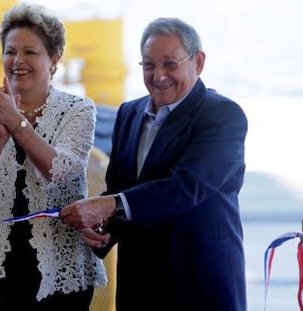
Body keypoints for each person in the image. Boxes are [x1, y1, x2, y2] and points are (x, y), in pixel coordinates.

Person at [60, 17, 248, 311]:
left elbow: (187, 186)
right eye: (149, 65)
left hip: (199, 284)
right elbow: (121, 188)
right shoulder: (129, 113)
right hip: (139, 286)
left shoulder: (223, 115)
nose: (158, 75)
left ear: (197, 62)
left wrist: (106, 205)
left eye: (170, 64)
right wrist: (104, 231)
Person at [0, 3, 107, 311]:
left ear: (54, 59)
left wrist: (17, 123)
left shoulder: (78, 109)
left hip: (59, 273)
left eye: (30, 52)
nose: (18, 60)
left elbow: (60, 171)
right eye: (10, 51)